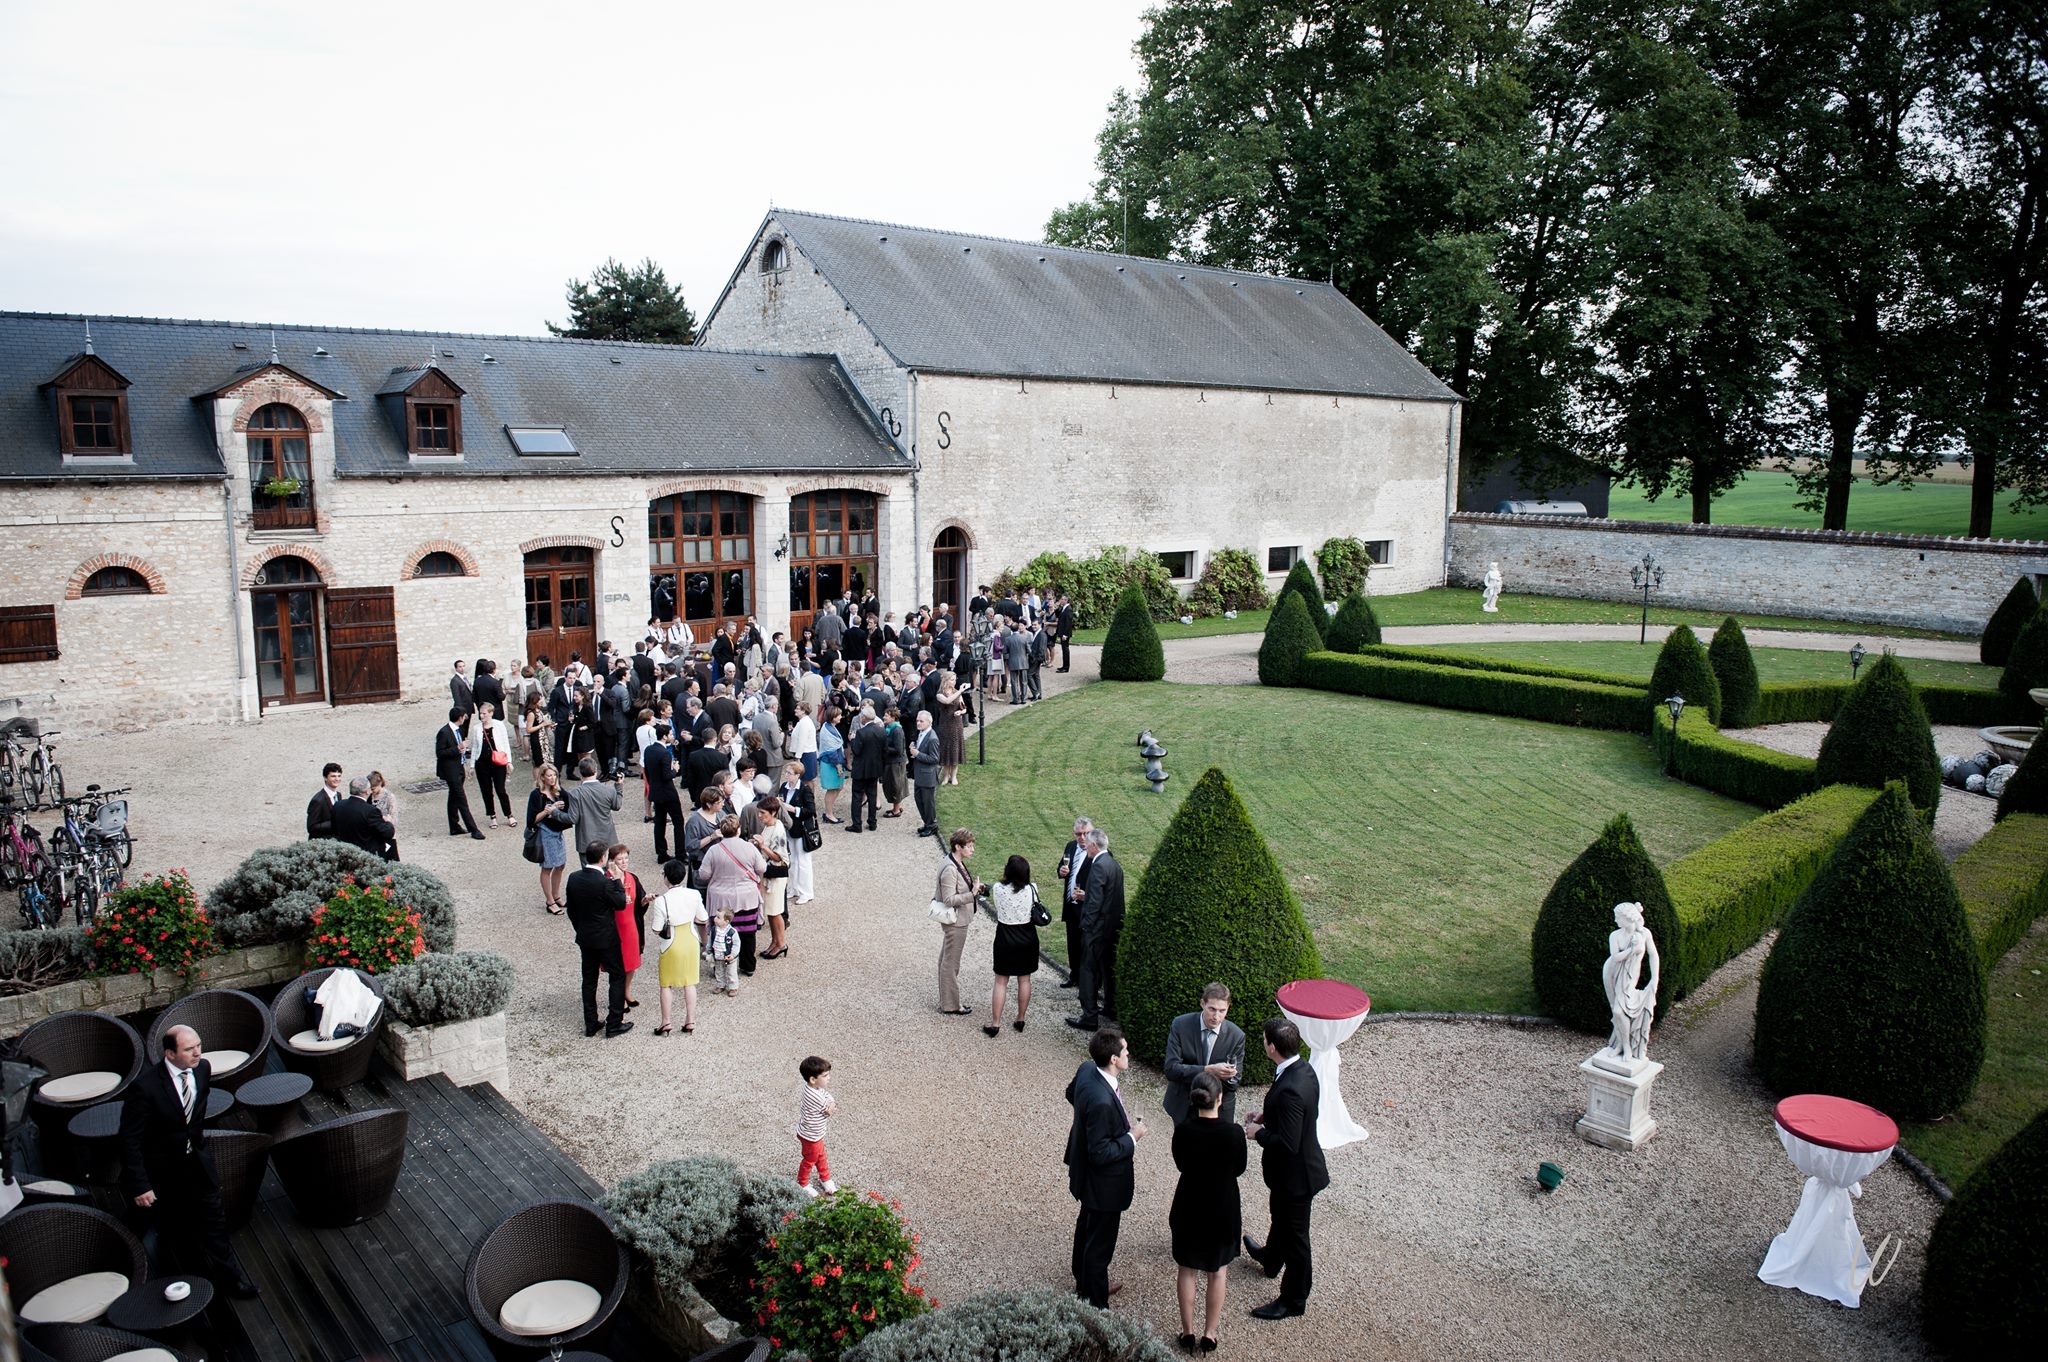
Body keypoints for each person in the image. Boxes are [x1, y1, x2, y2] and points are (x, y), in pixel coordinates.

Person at [118, 1024, 260, 1296]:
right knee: (155, 1225)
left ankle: (232, 1281)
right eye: (189, 1049)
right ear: (170, 1054)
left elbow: (193, 1118)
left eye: (198, 1045)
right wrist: (140, 1185)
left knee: (214, 1220)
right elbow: (129, 1140)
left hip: (196, 1162)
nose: (197, 1053)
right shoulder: (144, 1088)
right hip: (159, 1170)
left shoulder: (203, 1069)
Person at [1242, 1017, 1331, 1320]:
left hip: (1296, 1176)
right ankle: (1269, 1259)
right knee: (1278, 1215)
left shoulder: (1292, 1086)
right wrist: (1267, 1115)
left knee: (1297, 1240)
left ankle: (1294, 1300)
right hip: (1288, 1175)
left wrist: (1258, 1133)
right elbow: (1297, 1112)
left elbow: (1289, 1143)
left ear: (1272, 1047)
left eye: (1265, 1039)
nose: (1263, 1042)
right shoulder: (1302, 1069)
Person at [1065, 1027, 1144, 1309]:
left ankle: (1084, 1281)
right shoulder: (1101, 1101)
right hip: (1103, 1183)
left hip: (1084, 1172)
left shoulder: (1088, 1069)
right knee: (1099, 1245)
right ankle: (1096, 1307)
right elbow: (1101, 1153)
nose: (1128, 1054)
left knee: (1086, 1226)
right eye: (1124, 1051)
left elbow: (1070, 1093)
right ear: (1113, 1059)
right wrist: (1132, 1137)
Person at [1171, 1072, 1248, 1351]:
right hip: (1222, 1207)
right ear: (1219, 1098)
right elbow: (1239, 1168)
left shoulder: (1183, 1130)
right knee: (1217, 1272)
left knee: (1187, 1269)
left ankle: (1188, 1331)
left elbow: (1180, 1163)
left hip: (1189, 1204)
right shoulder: (1233, 1133)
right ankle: (1210, 1333)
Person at [565, 840, 631, 1037]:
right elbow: (620, 903)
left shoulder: (574, 878)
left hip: (586, 936)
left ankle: (591, 1022)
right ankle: (614, 1023)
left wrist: (580, 928)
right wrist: (618, 881)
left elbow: (571, 910)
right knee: (617, 976)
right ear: (603, 859)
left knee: (589, 980)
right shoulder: (605, 882)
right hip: (606, 938)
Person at [1163, 984, 1247, 1125]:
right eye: (1212, 1009)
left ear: (1228, 1008)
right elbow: (1171, 1069)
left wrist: (1227, 1075)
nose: (1216, 1016)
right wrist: (1208, 1070)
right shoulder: (1181, 1025)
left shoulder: (1236, 1036)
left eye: (1222, 1011)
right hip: (1185, 1104)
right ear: (1202, 1003)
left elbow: (1234, 1082)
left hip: (1218, 1110)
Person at [1067, 829, 1125, 1030]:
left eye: (1087, 845)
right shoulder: (1113, 864)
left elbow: (1096, 902)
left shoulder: (1098, 865)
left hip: (1097, 929)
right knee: (1108, 969)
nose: (1085, 847)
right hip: (1112, 927)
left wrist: (1086, 926)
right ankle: (1110, 1006)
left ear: (1093, 846)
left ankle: (1089, 1015)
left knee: (1088, 970)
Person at [700, 815, 767, 975]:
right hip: (746, 897)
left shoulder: (714, 850)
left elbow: (704, 874)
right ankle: (747, 965)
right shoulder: (749, 848)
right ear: (738, 830)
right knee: (747, 933)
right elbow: (762, 868)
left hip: (720, 898)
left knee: (720, 935)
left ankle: (720, 967)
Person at [646, 858, 706, 1034]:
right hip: (690, 939)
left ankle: (666, 1022)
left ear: (666, 878)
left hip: (671, 942)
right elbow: (702, 918)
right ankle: (690, 1020)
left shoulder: (661, 901)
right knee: (690, 983)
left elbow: (656, 929)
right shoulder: (694, 894)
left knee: (666, 984)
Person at [985, 854, 1041, 1036]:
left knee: (1001, 981)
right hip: (1027, 938)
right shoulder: (1032, 889)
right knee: (1024, 979)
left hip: (1005, 937)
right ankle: (1021, 1018)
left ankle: (995, 1023)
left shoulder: (999, 889)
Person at [934, 827, 981, 1016]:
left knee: (947, 959)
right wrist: (972, 894)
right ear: (957, 847)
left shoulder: (955, 862)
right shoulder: (950, 869)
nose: (972, 849)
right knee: (951, 963)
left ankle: (947, 1000)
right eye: (968, 846)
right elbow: (948, 899)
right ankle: (951, 1005)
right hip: (956, 922)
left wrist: (975, 888)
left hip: (958, 920)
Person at [749, 793, 793, 957]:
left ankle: (781, 943)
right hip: (769, 875)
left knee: (775, 912)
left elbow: (779, 857)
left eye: (763, 813)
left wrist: (761, 846)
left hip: (776, 875)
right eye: (759, 812)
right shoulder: (771, 825)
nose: (759, 816)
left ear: (773, 812)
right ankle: (775, 942)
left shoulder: (778, 829)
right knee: (772, 912)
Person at [527, 763, 572, 914]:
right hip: (545, 833)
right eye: (549, 776)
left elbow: (570, 804)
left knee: (560, 865)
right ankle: (549, 901)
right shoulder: (536, 795)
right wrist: (547, 811)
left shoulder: (559, 792)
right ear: (542, 777)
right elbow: (531, 820)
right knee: (548, 866)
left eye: (554, 775)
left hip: (557, 832)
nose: (552, 779)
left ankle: (556, 895)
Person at [435, 707, 485, 839]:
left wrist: (462, 751)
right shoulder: (444, 732)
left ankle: (454, 826)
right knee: (462, 800)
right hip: (451, 771)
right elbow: (440, 753)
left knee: (454, 798)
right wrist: (457, 749)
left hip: (459, 767)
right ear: (460, 717)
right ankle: (473, 829)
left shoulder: (459, 730)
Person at [564, 757, 623, 867]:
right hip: (608, 839)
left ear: (580, 773)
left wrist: (554, 812)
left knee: (590, 876)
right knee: (610, 874)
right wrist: (619, 787)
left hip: (586, 840)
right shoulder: (608, 790)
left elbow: (572, 818)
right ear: (596, 770)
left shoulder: (575, 793)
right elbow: (617, 805)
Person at [607, 843, 644, 1013]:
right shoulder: (607, 880)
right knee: (618, 966)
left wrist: (645, 901)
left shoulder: (632, 878)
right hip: (615, 927)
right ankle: (618, 997)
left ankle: (626, 992)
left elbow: (638, 902)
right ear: (611, 861)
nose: (624, 862)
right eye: (619, 859)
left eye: (626, 858)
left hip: (631, 926)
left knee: (632, 963)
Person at [795, 1054, 839, 1198]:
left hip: (815, 1133)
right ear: (813, 1079)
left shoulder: (814, 1088)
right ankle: (802, 1183)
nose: (828, 1078)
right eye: (825, 1076)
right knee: (810, 1160)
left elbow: (828, 1097)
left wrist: (831, 1103)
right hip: (810, 1136)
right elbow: (828, 1110)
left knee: (820, 1156)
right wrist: (831, 1105)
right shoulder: (815, 1097)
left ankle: (825, 1177)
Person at [1057, 817, 1093, 988]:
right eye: (1079, 834)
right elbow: (1060, 867)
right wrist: (1062, 871)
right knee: (1072, 942)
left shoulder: (1096, 851)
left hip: (1086, 906)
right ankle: (1074, 975)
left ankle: (1088, 980)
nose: (1083, 837)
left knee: (1085, 944)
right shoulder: (1071, 846)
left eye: (1086, 833)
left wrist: (1088, 895)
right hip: (1070, 903)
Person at [778, 760, 818, 906]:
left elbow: (811, 810)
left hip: (802, 829)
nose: (787, 775)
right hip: (789, 828)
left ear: (797, 775)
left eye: (789, 773)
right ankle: (794, 888)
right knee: (792, 860)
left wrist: (793, 809)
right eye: (786, 772)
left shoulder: (805, 789)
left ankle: (806, 892)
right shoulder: (784, 787)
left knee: (803, 861)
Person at [645, 723, 686, 864]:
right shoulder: (664, 753)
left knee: (659, 822)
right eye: (670, 734)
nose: (672, 736)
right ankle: (680, 853)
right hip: (668, 792)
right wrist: (675, 769)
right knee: (678, 822)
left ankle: (661, 853)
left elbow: (648, 772)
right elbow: (667, 775)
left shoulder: (648, 750)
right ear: (664, 736)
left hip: (656, 791)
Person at [472, 701, 514, 827]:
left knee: (500, 790)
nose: (482, 716)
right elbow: (475, 747)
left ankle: (509, 815)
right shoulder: (476, 728)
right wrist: (472, 765)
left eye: (484, 713)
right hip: (482, 763)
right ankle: (492, 816)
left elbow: (505, 744)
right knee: (486, 791)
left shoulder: (499, 725)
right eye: (480, 714)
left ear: (490, 713)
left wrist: (509, 761)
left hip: (498, 762)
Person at [332, 776, 395, 859]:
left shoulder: (338, 805)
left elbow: (334, 829)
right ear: (367, 791)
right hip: (367, 858)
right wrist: (388, 822)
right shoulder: (371, 811)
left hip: (345, 855)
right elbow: (387, 833)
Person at [847, 707, 886, 833]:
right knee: (872, 795)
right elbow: (884, 750)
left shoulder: (861, 733)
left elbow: (856, 751)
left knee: (857, 796)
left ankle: (857, 824)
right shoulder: (881, 731)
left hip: (861, 769)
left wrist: (852, 740)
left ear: (864, 717)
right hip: (874, 768)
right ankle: (872, 822)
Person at [910, 709, 942, 836]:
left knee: (928, 803)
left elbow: (935, 759)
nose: (918, 723)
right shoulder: (922, 733)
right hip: (920, 774)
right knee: (919, 800)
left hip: (927, 776)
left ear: (929, 722)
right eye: (917, 720)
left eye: (921, 721)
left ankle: (931, 825)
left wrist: (918, 754)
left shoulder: (933, 738)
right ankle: (927, 823)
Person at [934, 671, 967, 784]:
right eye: (952, 680)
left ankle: (954, 776)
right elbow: (947, 701)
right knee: (946, 749)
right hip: (945, 724)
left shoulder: (957, 692)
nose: (954, 682)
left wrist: (960, 712)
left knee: (955, 749)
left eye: (955, 680)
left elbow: (964, 708)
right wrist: (960, 691)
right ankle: (945, 775)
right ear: (946, 681)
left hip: (956, 724)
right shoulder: (940, 694)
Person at [881, 705, 909, 818]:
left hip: (896, 763)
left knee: (895, 785)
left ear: (893, 718)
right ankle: (896, 807)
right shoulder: (889, 728)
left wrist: (884, 747)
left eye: (886, 716)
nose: (884, 717)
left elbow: (898, 749)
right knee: (894, 784)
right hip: (891, 762)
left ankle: (896, 810)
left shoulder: (897, 730)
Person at [367, 770, 400, 861]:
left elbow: (394, 819)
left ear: (380, 783)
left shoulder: (390, 797)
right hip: (374, 835)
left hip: (387, 834)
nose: (372, 791)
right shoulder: (369, 797)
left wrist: (383, 819)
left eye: (373, 788)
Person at [708, 907, 741, 996]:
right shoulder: (714, 929)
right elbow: (711, 940)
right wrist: (709, 949)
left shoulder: (732, 932)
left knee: (731, 972)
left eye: (718, 917)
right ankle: (720, 984)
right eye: (716, 916)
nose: (715, 918)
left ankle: (733, 987)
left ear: (726, 921)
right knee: (719, 971)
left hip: (729, 956)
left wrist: (733, 954)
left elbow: (736, 944)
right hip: (718, 954)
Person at [306, 761, 342, 839]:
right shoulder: (317, 800)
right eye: (333, 776)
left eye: (339, 776)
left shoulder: (338, 795)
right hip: (322, 843)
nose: (337, 779)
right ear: (325, 778)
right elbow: (311, 827)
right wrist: (335, 823)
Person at [1056, 593, 1076, 672]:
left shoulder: (1069, 609)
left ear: (1066, 600)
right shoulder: (1063, 608)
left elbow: (1068, 623)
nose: (1061, 601)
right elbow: (1058, 615)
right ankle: (1064, 666)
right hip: (1062, 631)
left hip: (1065, 633)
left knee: (1065, 650)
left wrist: (1065, 634)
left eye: (1062, 599)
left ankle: (1066, 667)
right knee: (1064, 649)